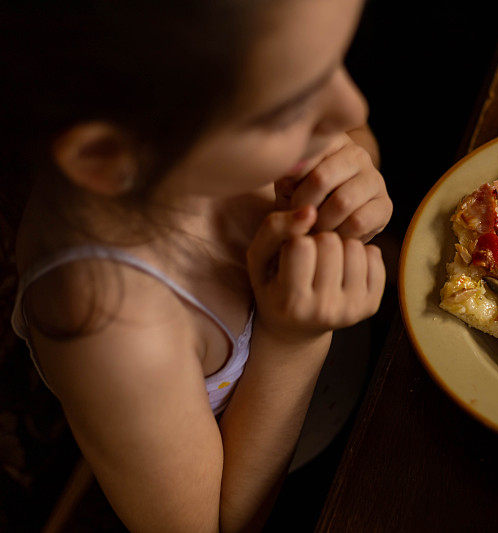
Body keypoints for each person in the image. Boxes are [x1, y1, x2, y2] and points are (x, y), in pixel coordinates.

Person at [2, 0, 391, 530]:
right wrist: (293, 341)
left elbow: (356, 135)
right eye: (292, 104)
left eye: (333, 62)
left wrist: (352, 181)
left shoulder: (212, 113)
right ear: (109, 158)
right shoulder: (113, 330)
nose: (350, 108)